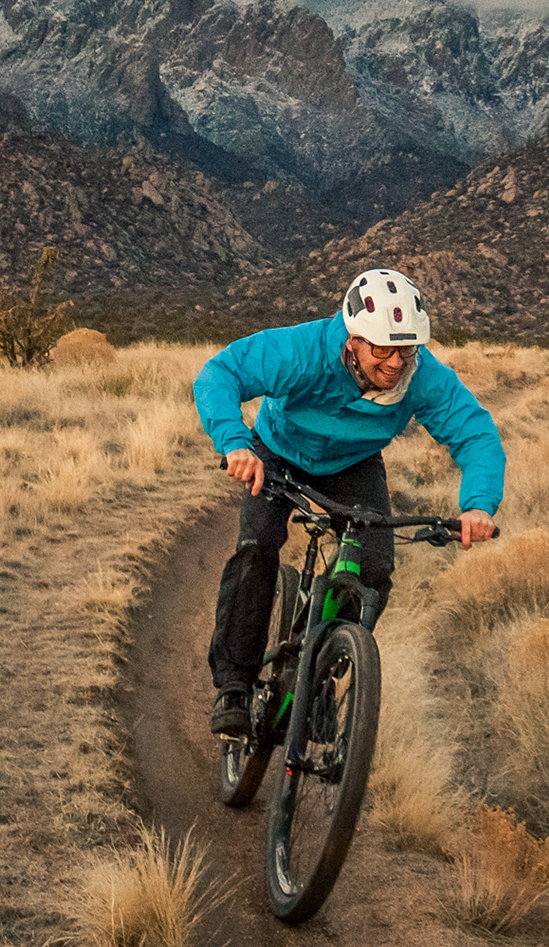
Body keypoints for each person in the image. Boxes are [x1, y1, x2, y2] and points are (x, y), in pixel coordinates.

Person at [196, 266, 505, 736]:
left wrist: (478, 504)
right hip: (278, 452)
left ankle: (317, 674)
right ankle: (234, 685)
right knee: (258, 547)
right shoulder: (303, 351)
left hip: (354, 464)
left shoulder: (422, 376)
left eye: (406, 349)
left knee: (373, 572)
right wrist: (235, 443)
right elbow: (221, 373)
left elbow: (475, 433)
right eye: (382, 349)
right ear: (353, 339)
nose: (396, 362)